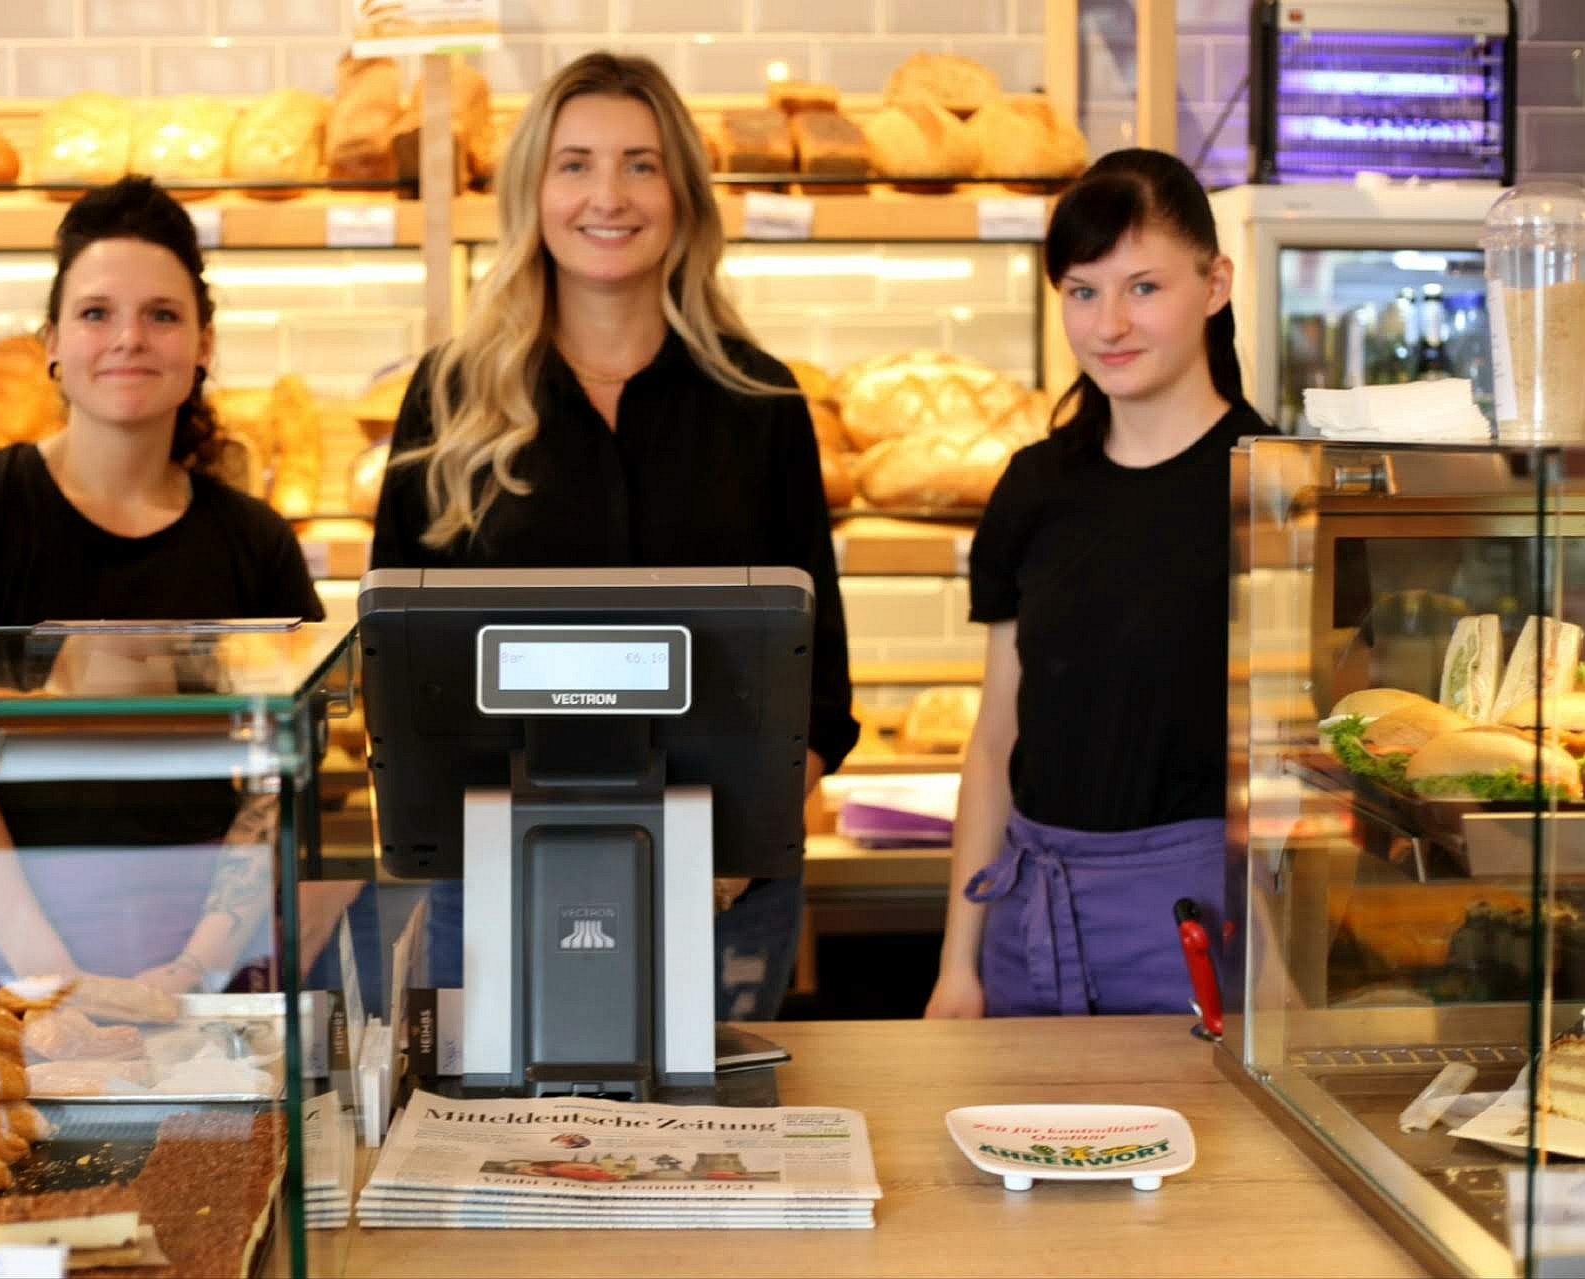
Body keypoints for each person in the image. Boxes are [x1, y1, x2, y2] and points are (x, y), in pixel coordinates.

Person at [370, 51, 858, 1021]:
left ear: (681, 192)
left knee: (711, 1160)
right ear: (532, 193)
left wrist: (720, 861)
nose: (609, 195)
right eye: (575, 163)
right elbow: (400, 676)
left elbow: (820, 684)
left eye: (640, 163)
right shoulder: (450, 398)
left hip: (723, 897)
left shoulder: (759, 403)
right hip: (498, 885)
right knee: (499, 1153)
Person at [0, 176, 324, 994]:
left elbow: (282, 781)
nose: (130, 338)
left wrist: (196, 967)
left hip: (199, 967)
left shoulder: (254, 541)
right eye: (96, 313)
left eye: (162, 314)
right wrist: (49, 971)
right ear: (49, 340)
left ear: (204, 345)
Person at [924, 148, 1272, 1020]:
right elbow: (996, 731)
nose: (1110, 323)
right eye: (1083, 291)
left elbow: (1305, 768)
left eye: (1143, 288)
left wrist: (1287, 974)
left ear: (1216, 283)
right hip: (1025, 919)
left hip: (1201, 929)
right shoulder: (1034, 487)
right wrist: (957, 965)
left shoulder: (1270, 487)